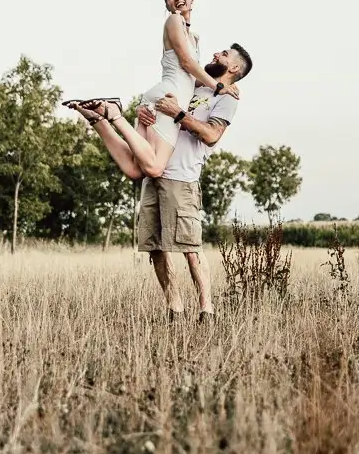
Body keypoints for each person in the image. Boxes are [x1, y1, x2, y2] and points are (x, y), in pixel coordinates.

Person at [70, 44, 251, 321]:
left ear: (235, 68)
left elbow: (212, 135)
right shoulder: (194, 86)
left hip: (182, 178)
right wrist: (146, 118)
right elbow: (162, 122)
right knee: (156, 248)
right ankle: (175, 309)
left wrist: (179, 113)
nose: (216, 54)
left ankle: (207, 310)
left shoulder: (226, 98)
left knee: (190, 249)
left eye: (224, 54)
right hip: (155, 171)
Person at [64, 0, 241, 179]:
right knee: (155, 168)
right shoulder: (174, 21)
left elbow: (191, 77)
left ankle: (97, 119)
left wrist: (227, 84)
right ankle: (114, 114)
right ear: (167, 6)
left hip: (164, 96)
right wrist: (219, 87)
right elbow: (186, 62)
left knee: (135, 169)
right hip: (167, 96)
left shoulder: (194, 37)